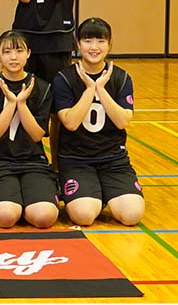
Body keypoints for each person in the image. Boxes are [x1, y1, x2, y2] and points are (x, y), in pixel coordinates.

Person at [3, 0, 84, 171]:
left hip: (57, 41)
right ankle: (27, 162)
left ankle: (59, 167)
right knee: (23, 104)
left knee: (59, 109)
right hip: (24, 42)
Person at [53, 17, 144, 226]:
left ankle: (102, 192)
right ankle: (93, 194)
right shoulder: (64, 78)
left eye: (101, 41)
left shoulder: (121, 78)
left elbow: (122, 121)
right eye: (88, 41)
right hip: (76, 160)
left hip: (114, 160)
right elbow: (70, 123)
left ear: (109, 44)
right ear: (78, 44)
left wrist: (101, 89)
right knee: (84, 216)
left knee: (132, 215)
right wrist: (89, 89)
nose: (94, 47)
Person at [0, 30, 59, 229]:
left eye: (19, 51)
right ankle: (13, 201)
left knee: (44, 217)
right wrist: (11, 103)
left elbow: (37, 134)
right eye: (7, 52)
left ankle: (28, 200)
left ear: (28, 53)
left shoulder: (42, 87)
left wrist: (21, 104)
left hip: (33, 162)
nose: (13, 57)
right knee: (6, 217)